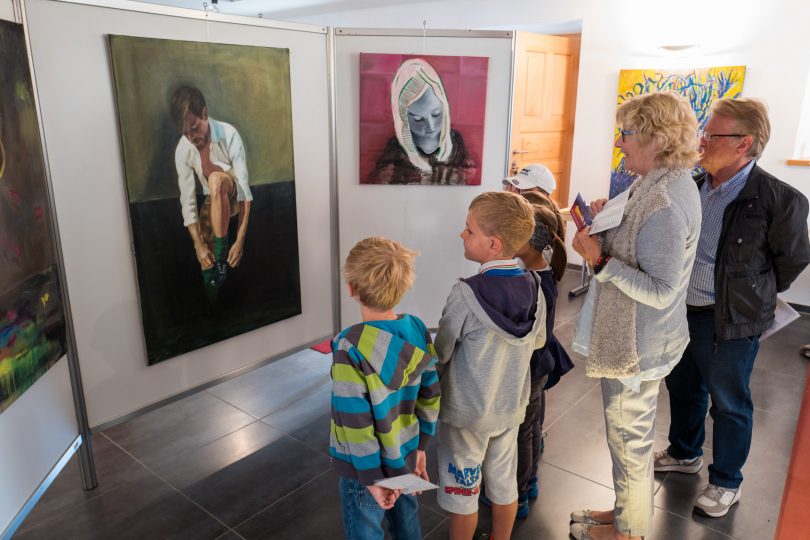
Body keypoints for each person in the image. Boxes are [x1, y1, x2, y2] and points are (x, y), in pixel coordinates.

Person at [653, 98, 810, 517]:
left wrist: (751, 292)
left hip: (729, 319)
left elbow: (792, 260)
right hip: (681, 311)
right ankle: (684, 452)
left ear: (744, 143)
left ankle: (726, 481)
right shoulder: (694, 185)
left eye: (712, 134)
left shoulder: (781, 199)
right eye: (703, 133)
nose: (701, 141)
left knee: (729, 402)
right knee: (683, 387)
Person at [569, 92, 702, 540]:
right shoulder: (657, 181)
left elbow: (661, 291)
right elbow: (638, 240)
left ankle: (628, 532)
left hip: (636, 346)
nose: (619, 142)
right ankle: (625, 513)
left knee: (630, 444)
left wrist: (599, 260)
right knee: (628, 441)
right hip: (638, 337)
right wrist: (606, 220)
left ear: (656, 138)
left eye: (625, 134)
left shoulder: (665, 201)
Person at [434, 191, 546, 540]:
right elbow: (537, 341)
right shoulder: (535, 286)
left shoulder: (465, 293)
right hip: (510, 408)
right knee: (504, 483)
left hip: (467, 414)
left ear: (493, 244)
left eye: (469, 230)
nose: (461, 234)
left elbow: (442, 351)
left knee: (463, 492)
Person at [330, 237, 441, 540]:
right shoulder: (417, 328)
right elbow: (431, 396)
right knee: (407, 522)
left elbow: (355, 421)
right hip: (406, 453)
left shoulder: (348, 347)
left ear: (352, 288)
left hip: (364, 469)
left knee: (365, 531)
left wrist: (370, 478)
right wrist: (421, 447)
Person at [512, 203, 573, 518]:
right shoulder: (543, 271)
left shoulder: (531, 281)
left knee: (523, 431)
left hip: (529, 367)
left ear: (528, 241)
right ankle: (531, 479)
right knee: (532, 424)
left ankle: (519, 493)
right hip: (539, 365)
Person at [170, 85, 252, 294]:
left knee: (215, 180)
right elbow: (188, 201)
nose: (191, 137)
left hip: (232, 192)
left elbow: (244, 192)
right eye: (185, 133)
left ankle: (222, 258)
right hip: (212, 202)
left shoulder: (229, 134)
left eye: (194, 128)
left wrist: (240, 240)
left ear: (204, 113)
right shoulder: (183, 149)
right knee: (207, 270)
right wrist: (198, 245)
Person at [367, 58, 476, 185]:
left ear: (444, 107)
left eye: (436, 114)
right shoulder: (394, 153)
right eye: (418, 119)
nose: (430, 126)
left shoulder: (457, 145)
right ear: (403, 119)